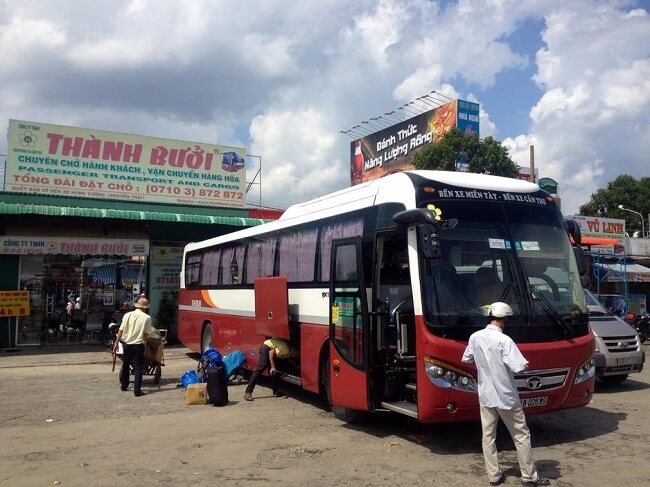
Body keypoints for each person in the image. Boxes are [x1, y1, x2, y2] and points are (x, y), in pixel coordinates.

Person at [462, 302, 550, 487]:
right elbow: (518, 366)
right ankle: (529, 477)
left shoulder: (475, 337)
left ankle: (494, 476)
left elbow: (467, 358)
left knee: (488, 436)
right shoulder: (505, 341)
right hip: (506, 397)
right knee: (521, 435)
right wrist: (526, 363)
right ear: (505, 319)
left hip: (486, 395)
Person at [113, 297, 152, 397]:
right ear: (145, 308)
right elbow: (146, 335)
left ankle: (124, 386)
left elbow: (121, 330)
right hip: (138, 346)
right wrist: (146, 345)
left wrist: (116, 343)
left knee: (126, 365)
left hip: (127, 345)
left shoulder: (127, 315)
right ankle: (137, 391)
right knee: (138, 367)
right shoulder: (147, 318)